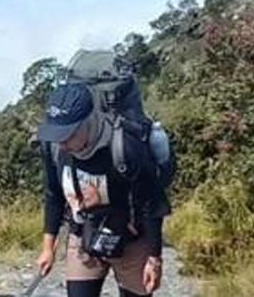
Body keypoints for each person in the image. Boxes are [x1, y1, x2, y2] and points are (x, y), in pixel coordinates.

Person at [35, 82, 170, 297]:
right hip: (83, 235)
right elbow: (53, 194)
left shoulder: (124, 146)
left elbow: (151, 205)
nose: (62, 143)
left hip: (131, 241)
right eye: (56, 135)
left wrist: (154, 258)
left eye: (68, 135)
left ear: (88, 121)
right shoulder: (53, 147)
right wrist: (47, 248)